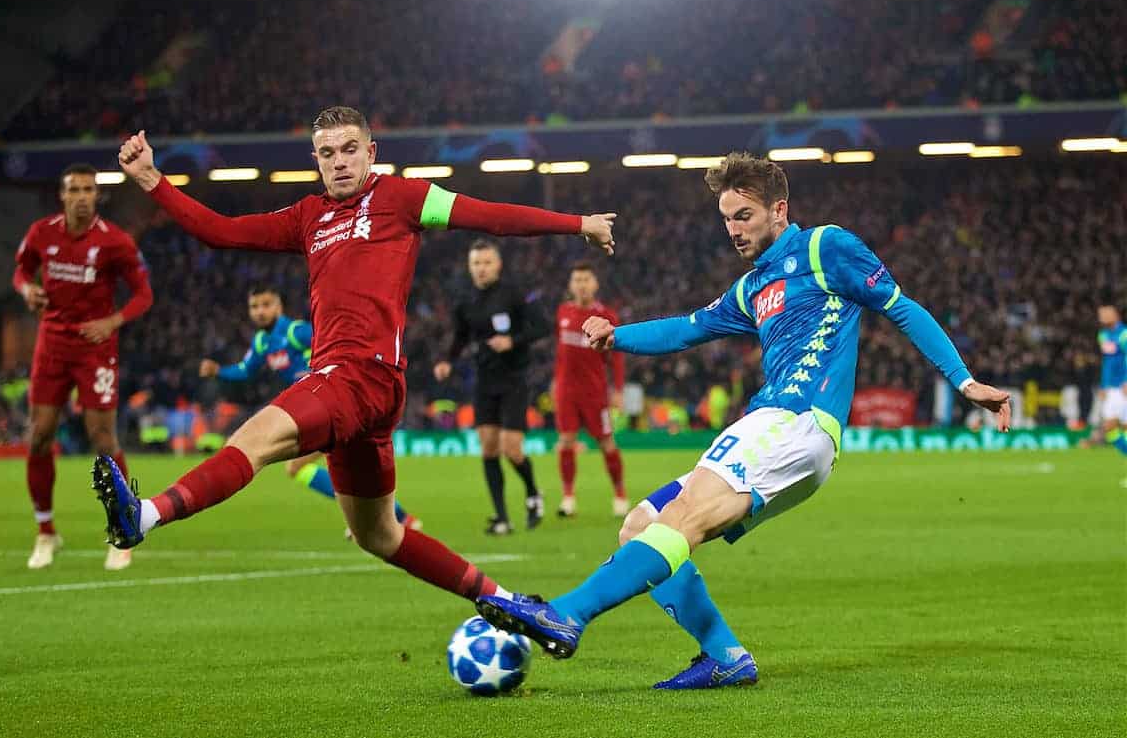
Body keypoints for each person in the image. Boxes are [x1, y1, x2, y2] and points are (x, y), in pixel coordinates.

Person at [477, 151, 1011, 688]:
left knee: (680, 518)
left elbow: (901, 306)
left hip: (794, 420)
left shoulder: (826, 247)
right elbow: (688, 328)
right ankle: (724, 656)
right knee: (640, 525)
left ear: (779, 209)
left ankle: (566, 614)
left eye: (744, 216)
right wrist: (618, 336)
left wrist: (965, 382)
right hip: (780, 431)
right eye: (726, 218)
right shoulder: (751, 287)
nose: (732, 229)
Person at [95, 106, 615, 607]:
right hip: (363, 394)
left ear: (371, 151)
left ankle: (144, 516)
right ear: (316, 160)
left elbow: (490, 217)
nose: (339, 161)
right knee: (380, 535)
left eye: (349, 150)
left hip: (358, 376)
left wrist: (578, 223)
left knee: (252, 440)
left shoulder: (402, 198)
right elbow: (222, 232)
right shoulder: (307, 217)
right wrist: (150, 179)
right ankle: (508, 601)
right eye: (327, 153)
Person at [14, 163, 153, 571]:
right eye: (73, 189)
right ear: (62, 194)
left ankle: (124, 530)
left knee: (103, 441)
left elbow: (144, 295)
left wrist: (112, 321)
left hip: (96, 349)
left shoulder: (116, 243)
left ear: (97, 196)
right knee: (39, 436)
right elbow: (20, 270)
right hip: (52, 344)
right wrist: (28, 291)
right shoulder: (42, 233)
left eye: (88, 190)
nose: (80, 196)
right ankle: (46, 532)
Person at [199, 284, 419, 535]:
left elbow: (334, 345)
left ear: (278, 306)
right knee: (344, 465)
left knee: (304, 467)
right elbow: (245, 370)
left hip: (332, 402)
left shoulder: (296, 332)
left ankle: (380, 518)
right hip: (314, 408)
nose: (260, 311)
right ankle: (394, 518)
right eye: (254, 306)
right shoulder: (262, 342)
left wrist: (317, 372)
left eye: (266, 304)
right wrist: (219, 371)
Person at [433, 241, 548, 535]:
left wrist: (513, 341)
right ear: (470, 267)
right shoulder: (465, 300)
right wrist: (447, 360)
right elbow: (460, 336)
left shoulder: (514, 294)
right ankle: (502, 518)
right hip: (484, 379)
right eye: (476, 264)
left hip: (514, 377)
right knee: (488, 447)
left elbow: (542, 327)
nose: (481, 269)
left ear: (497, 265)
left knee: (511, 448)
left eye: (486, 263)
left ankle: (533, 493)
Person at [552, 261, 627, 517]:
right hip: (566, 391)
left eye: (586, 280)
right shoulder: (562, 312)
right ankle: (568, 498)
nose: (581, 285)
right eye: (577, 280)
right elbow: (560, 354)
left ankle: (619, 493)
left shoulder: (607, 316)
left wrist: (618, 390)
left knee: (607, 442)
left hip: (595, 392)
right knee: (566, 441)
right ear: (571, 285)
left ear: (594, 284)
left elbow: (616, 357)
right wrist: (556, 383)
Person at [1096, 304, 1127, 456]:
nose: (1101, 317)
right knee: (1115, 428)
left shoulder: (1124, 334)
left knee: (1115, 426)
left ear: (1115, 315)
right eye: (1100, 315)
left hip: (1123, 387)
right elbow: (1107, 362)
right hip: (1112, 388)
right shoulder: (1103, 335)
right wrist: (1103, 385)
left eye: (1104, 314)